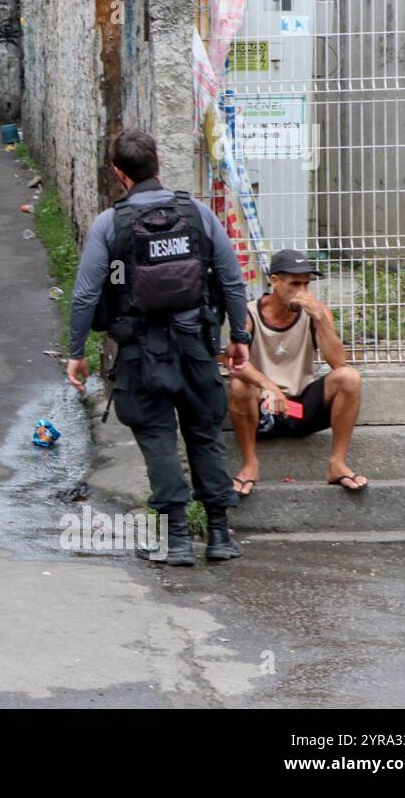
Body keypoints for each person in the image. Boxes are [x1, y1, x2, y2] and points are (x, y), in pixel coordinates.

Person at [66, 129, 253, 565]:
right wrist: (238, 338)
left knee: (158, 441)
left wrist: (76, 351)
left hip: (140, 354)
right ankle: (221, 536)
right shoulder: (198, 215)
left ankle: (178, 541)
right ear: (158, 161)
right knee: (204, 435)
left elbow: (86, 293)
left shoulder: (110, 224)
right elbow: (230, 278)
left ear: (118, 174)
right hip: (196, 346)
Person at [227, 249, 366, 494]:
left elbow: (338, 363)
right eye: (294, 284)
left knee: (349, 378)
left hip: (300, 409)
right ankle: (250, 465)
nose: (301, 291)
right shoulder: (248, 313)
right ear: (275, 281)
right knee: (239, 384)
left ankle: (337, 464)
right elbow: (234, 362)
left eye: (306, 284)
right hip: (263, 407)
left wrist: (320, 318)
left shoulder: (316, 312)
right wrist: (268, 386)